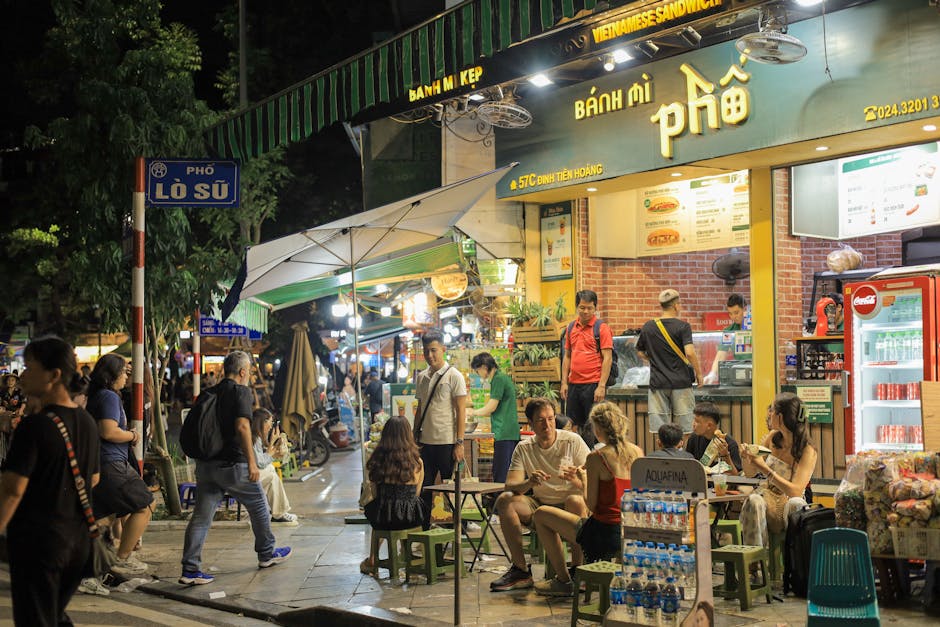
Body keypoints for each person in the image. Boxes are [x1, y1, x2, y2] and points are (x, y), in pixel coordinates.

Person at [0, 337, 100, 626]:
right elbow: (94, 478)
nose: (23, 375)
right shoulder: (87, 422)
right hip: (78, 544)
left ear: (54, 375)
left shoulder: (35, 426)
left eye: (30, 367)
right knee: (53, 616)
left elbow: (12, 491)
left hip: (39, 545)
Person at [180, 351, 292, 585]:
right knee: (260, 505)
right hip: (233, 464)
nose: (250, 374)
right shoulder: (241, 392)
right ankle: (267, 553)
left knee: (201, 518)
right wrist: (251, 462)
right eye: (249, 370)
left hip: (206, 465)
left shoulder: (209, 392)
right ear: (242, 371)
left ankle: (190, 570)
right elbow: (242, 427)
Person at [532, 402, 644, 596]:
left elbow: (591, 504)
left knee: (541, 514)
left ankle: (563, 580)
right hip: (631, 529)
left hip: (604, 533)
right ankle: (578, 572)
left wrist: (583, 479)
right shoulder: (637, 452)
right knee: (573, 508)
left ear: (597, 429)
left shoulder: (597, 457)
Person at [490, 398, 590, 592]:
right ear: (531, 423)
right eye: (541, 420)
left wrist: (576, 479)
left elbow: (592, 481)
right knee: (505, 500)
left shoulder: (572, 441)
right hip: (541, 504)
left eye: (551, 419)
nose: (547, 425)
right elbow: (510, 485)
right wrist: (529, 482)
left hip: (571, 506)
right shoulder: (524, 447)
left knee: (575, 500)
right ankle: (520, 570)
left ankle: (577, 569)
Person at [85, 354, 153, 578]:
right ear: (112, 375)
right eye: (124, 372)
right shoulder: (108, 397)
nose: (126, 376)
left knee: (104, 517)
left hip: (103, 463)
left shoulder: (99, 395)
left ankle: (93, 565)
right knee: (145, 505)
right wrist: (132, 435)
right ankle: (121, 558)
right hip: (112, 463)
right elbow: (109, 431)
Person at [739, 392, 818, 549]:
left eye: (772, 410)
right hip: (767, 499)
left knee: (796, 504)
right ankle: (756, 558)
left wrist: (765, 469)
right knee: (754, 500)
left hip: (788, 504)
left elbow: (795, 491)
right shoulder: (773, 437)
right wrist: (746, 457)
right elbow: (750, 473)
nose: (769, 414)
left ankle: (794, 558)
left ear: (780, 417)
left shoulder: (807, 450)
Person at [359, 416, 426, 574]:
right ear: (408, 435)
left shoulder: (377, 461)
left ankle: (372, 558)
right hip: (411, 517)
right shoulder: (417, 462)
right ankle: (407, 554)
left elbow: (374, 492)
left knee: (380, 511)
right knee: (405, 507)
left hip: (385, 518)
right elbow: (417, 493)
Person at [414, 329, 467, 529]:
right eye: (426, 351)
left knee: (450, 488)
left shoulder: (454, 376)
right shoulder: (421, 377)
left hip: (447, 442)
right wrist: (414, 437)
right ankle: (424, 528)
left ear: (443, 349)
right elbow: (420, 409)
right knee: (424, 487)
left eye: (433, 350)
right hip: (425, 443)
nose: (430, 355)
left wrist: (459, 442)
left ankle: (456, 530)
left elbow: (461, 411)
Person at [636, 289, 702, 434]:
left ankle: (664, 449)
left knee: (660, 429)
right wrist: (699, 374)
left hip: (658, 383)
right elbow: (690, 352)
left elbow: (640, 352)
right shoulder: (683, 326)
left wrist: (653, 359)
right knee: (685, 427)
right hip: (681, 382)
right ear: (676, 306)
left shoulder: (648, 326)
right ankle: (683, 449)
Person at [560, 289, 614, 449]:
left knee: (594, 427)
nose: (585, 311)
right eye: (582, 307)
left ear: (595, 307)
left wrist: (601, 386)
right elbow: (567, 356)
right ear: (577, 307)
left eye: (590, 308)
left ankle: (594, 458)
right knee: (572, 426)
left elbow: (608, 358)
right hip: (574, 386)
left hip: (593, 385)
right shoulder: (571, 327)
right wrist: (564, 383)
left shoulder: (602, 328)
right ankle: (575, 456)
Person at [468, 352, 520, 483]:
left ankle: (500, 496)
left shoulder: (498, 379)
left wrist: (472, 413)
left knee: (501, 474)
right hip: (509, 432)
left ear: (484, 367)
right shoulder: (502, 378)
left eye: (477, 371)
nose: (478, 374)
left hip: (504, 432)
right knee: (509, 472)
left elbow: (491, 407)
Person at [250, 409, 298, 525]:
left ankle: (276, 511)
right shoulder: (253, 438)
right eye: (270, 422)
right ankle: (279, 513)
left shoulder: (257, 437)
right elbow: (260, 463)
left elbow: (264, 458)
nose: (271, 426)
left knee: (270, 469)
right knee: (271, 476)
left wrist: (272, 443)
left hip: (247, 472)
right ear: (262, 422)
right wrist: (273, 451)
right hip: (244, 475)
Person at [684, 401, 743, 475]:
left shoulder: (729, 444)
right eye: (694, 420)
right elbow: (687, 466)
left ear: (709, 425)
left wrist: (725, 455)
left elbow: (735, 476)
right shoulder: (693, 438)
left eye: (697, 421)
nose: (693, 424)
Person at [703, 294, 747, 385]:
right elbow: (721, 354)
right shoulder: (729, 331)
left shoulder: (756, 328)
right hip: (740, 375)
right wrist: (712, 373)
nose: (733, 317)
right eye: (730, 313)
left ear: (745, 309)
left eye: (736, 312)